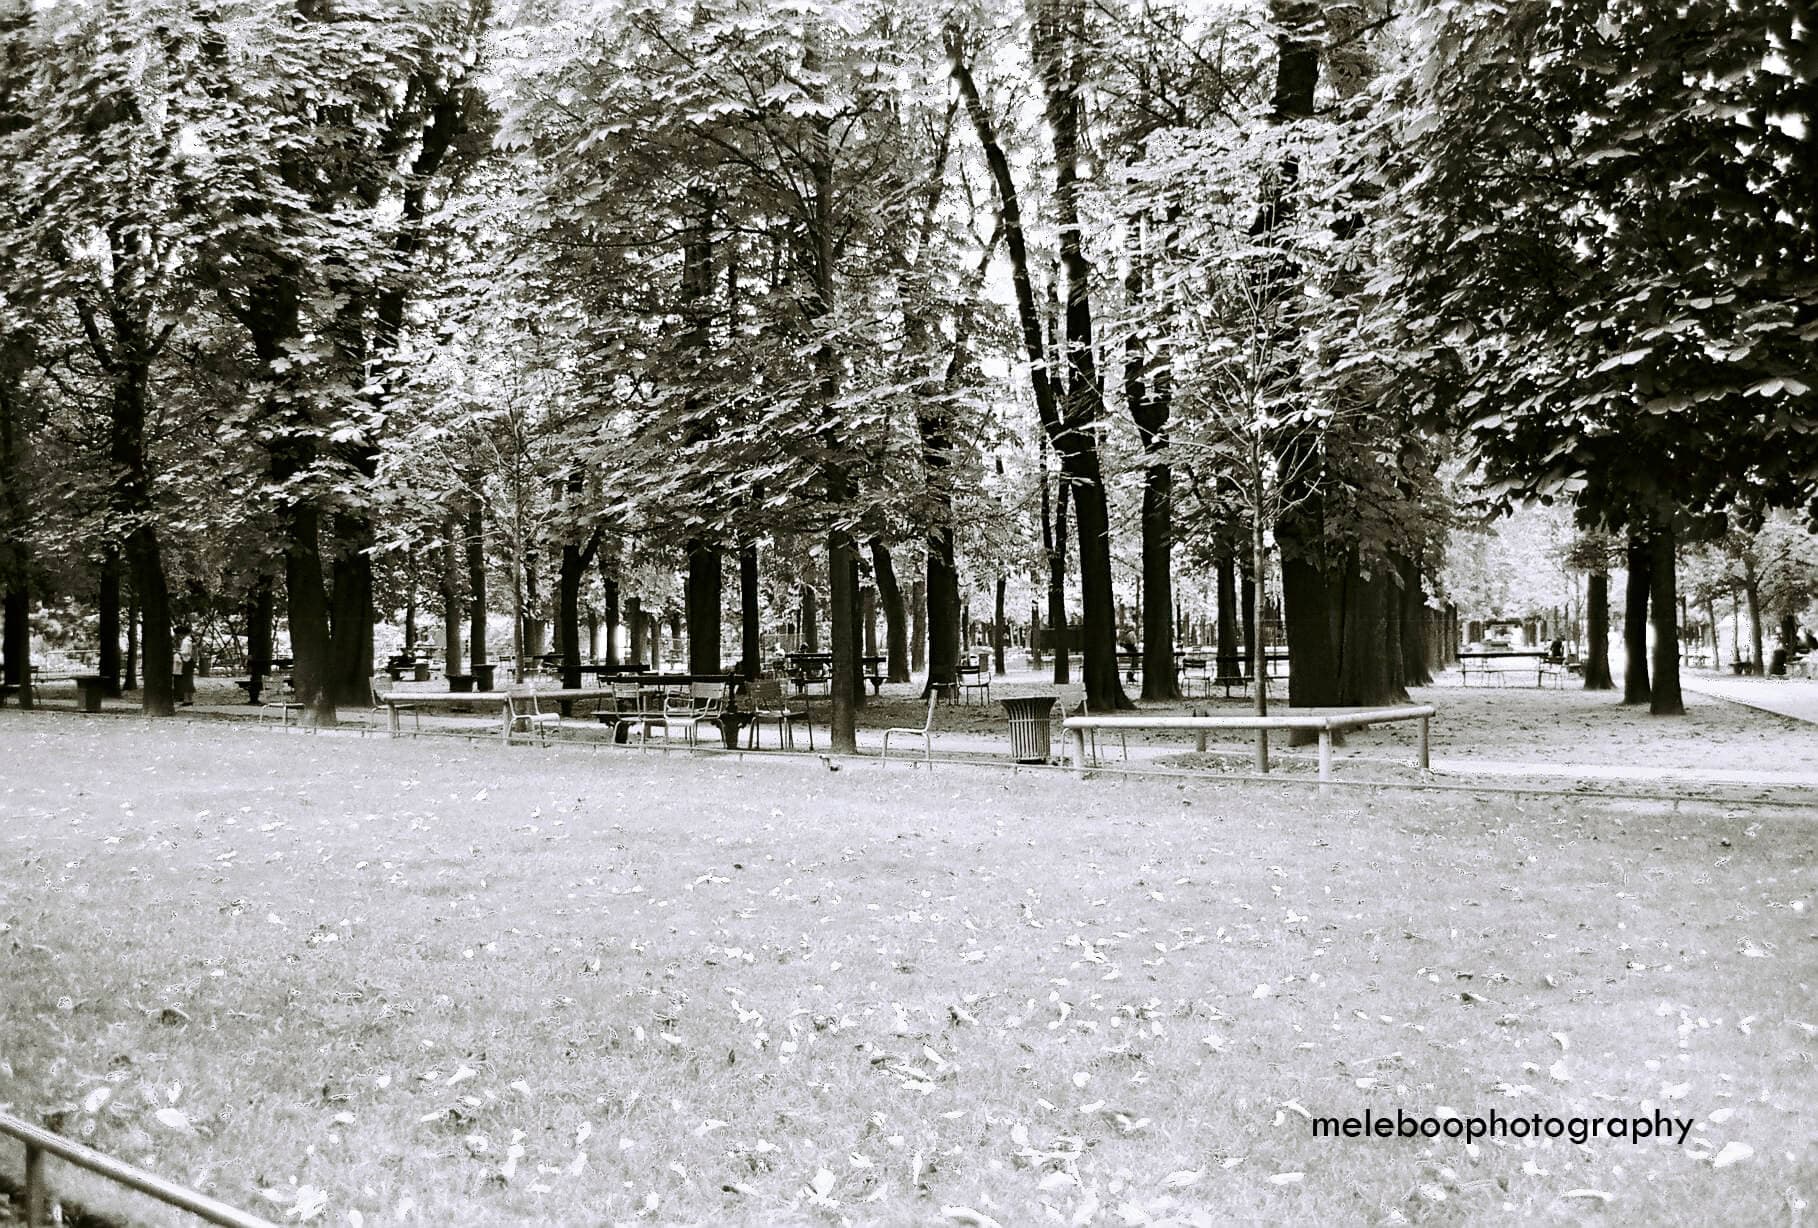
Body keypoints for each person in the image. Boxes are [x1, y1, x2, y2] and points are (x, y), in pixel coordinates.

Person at [174, 623, 196, 705]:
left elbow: (186, 652)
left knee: (185, 680)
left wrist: (178, 651)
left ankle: (187, 699)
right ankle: (189, 699)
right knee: (189, 680)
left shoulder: (186, 641)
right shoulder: (190, 640)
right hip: (190, 661)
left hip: (186, 661)